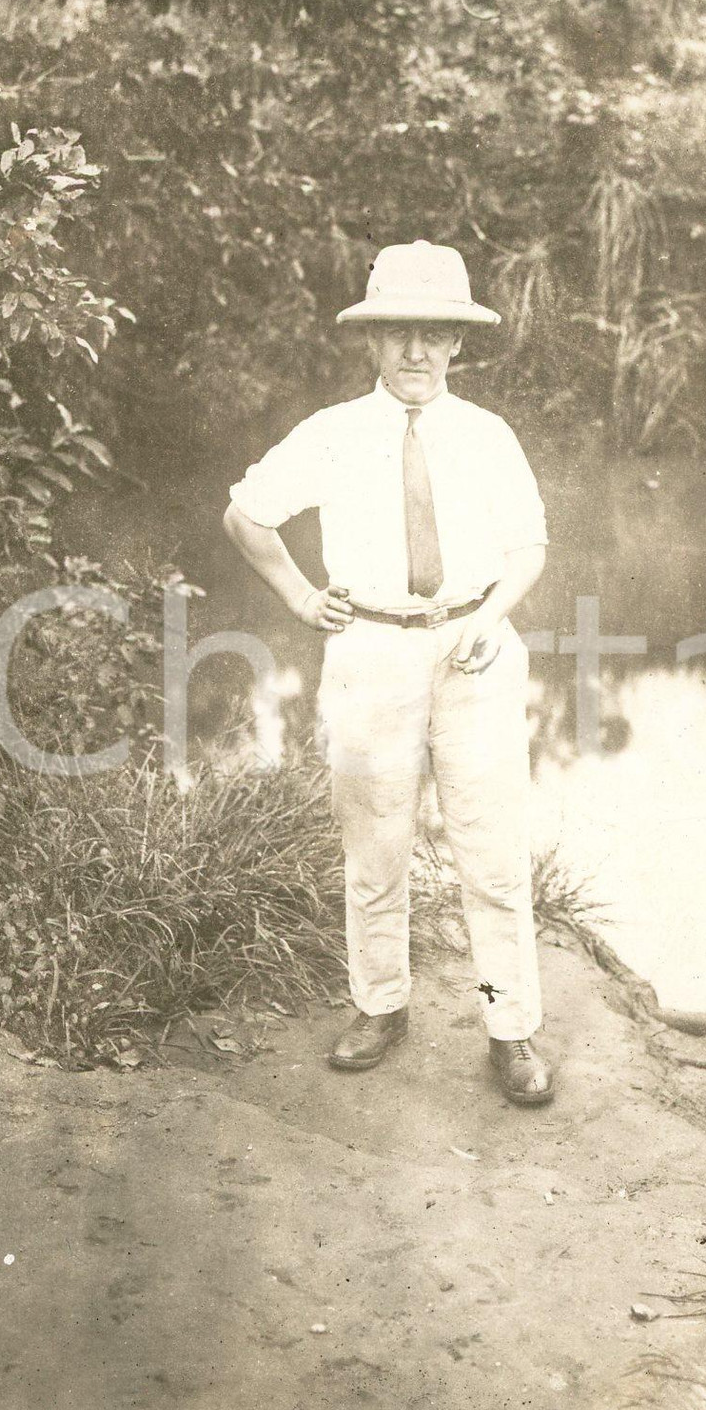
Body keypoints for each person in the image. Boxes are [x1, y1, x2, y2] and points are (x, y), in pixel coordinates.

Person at [223, 240, 552, 1106]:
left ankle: (508, 1026)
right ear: (371, 343)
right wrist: (298, 596)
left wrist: (488, 616)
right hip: (370, 650)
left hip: (473, 644)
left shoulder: (487, 436)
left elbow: (529, 547)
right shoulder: (332, 434)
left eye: (434, 334)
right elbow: (246, 515)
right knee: (375, 848)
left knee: (492, 852)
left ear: (458, 346)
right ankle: (381, 1005)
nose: (416, 352)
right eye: (398, 333)